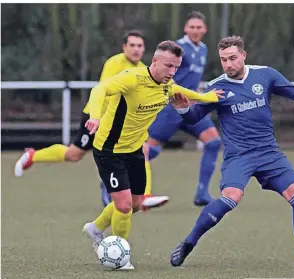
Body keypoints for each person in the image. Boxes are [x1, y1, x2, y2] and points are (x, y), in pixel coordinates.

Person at [169, 35, 294, 269]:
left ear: (243, 55)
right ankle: (188, 243)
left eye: (232, 58)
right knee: (231, 198)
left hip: (269, 153)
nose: (228, 64)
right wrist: (182, 109)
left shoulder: (265, 75)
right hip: (238, 156)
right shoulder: (217, 87)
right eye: (223, 60)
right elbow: (194, 117)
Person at [82, 40, 223, 270]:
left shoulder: (167, 85)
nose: (172, 72)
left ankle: (95, 228)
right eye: (168, 66)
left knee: (136, 204)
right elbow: (99, 89)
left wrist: (210, 97)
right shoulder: (133, 78)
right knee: (124, 205)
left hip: (135, 149)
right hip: (109, 150)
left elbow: (181, 91)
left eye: (176, 67)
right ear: (154, 61)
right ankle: (120, 255)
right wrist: (96, 116)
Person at [13, 30, 168, 210]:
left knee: (142, 149)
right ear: (124, 47)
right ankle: (33, 156)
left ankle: (144, 195)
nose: (136, 49)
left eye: (139, 46)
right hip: (98, 118)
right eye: (132, 45)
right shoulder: (114, 63)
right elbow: (106, 91)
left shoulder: (143, 69)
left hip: (119, 122)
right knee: (74, 154)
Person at [145, 11, 222, 207]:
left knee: (213, 142)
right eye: (192, 27)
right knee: (148, 150)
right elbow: (165, 73)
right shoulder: (179, 48)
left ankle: (202, 193)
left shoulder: (203, 49)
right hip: (171, 107)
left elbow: (191, 79)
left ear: (204, 29)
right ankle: (114, 184)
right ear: (186, 29)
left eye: (199, 27)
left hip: (190, 108)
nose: (196, 30)